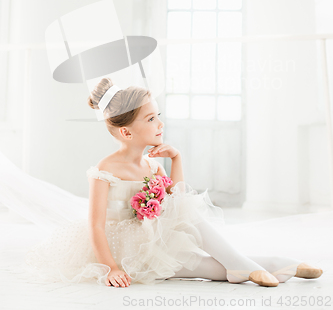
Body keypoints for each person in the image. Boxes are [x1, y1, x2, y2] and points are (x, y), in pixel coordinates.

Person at [25, 78, 323, 287]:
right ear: (127, 133)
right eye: (151, 119)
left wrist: (176, 160)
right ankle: (271, 263)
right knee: (206, 269)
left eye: (159, 116)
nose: (161, 124)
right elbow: (96, 226)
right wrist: (112, 267)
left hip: (154, 238)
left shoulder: (152, 164)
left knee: (197, 230)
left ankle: (258, 264)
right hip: (127, 250)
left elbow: (178, 203)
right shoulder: (105, 170)